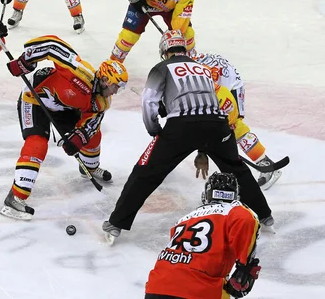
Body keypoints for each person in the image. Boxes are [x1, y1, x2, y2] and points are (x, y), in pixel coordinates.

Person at [102, 30, 276, 242]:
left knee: (145, 172)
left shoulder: (160, 68)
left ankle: (116, 223)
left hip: (181, 127)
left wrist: (155, 132)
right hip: (218, 125)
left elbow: (149, 102)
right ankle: (265, 215)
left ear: (164, 52)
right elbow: (207, 105)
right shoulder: (203, 68)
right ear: (184, 49)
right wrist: (203, 149)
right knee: (237, 169)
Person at [0, 35, 128, 220]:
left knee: (93, 136)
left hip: (64, 108)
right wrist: (26, 60)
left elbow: (91, 124)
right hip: (35, 99)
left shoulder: (102, 101)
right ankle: (16, 197)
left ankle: (89, 168)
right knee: (37, 144)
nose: (116, 91)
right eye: (116, 86)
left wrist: (79, 138)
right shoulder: (80, 72)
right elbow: (52, 45)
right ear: (106, 80)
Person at [145, 172, 261, 299]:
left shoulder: (184, 219)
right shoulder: (235, 210)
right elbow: (246, 219)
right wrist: (245, 267)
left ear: (207, 194)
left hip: (156, 286)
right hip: (199, 288)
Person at [193, 52, 282, 190]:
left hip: (230, 86)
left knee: (234, 125)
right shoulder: (188, 70)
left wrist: (203, 150)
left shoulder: (200, 80)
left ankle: (265, 163)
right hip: (220, 81)